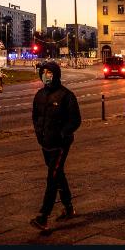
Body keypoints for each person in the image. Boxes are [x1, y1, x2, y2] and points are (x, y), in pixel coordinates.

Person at [29, 61, 82, 231]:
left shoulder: (66, 96)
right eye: (43, 72)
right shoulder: (39, 95)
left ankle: (43, 216)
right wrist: (39, 133)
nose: (46, 75)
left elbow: (75, 120)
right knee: (58, 175)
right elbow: (35, 117)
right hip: (45, 143)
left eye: (49, 73)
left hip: (60, 145)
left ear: (56, 75)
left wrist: (63, 133)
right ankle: (68, 208)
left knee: (52, 177)